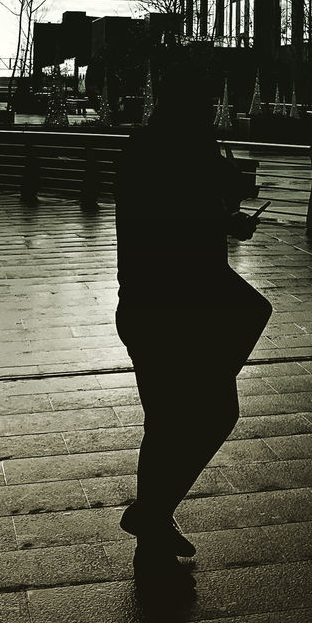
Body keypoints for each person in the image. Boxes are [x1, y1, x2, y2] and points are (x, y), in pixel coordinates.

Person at [114, 77, 272, 575]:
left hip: (148, 306)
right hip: (175, 309)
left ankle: (153, 520)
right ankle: (152, 513)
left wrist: (223, 218)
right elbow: (181, 230)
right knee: (212, 411)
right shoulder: (180, 165)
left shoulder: (146, 159)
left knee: (164, 422)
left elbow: (171, 222)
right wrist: (222, 212)